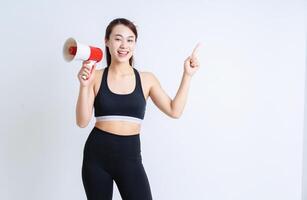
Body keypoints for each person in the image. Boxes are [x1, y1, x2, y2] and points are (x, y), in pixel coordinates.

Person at [76, 18, 200, 200]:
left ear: (135, 44)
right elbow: (82, 121)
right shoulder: (95, 76)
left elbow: (175, 110)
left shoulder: (147, 79)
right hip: (96, 157)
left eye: (130, 39)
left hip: (130, 158)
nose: (124, 45)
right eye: (118, 38)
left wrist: (187, 75)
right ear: (107, 41)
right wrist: (84, 86)